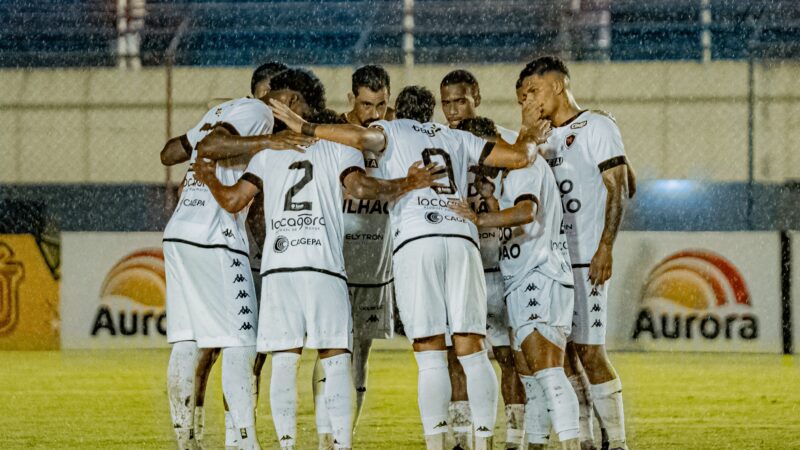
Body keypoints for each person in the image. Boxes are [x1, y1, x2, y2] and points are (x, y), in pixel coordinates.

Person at [269, 85, 548, 450]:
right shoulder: (457, 136)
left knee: (430, 353)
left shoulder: (392, 130)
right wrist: (528, 135)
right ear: (431, 110)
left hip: (417, 240)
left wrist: (306, 127)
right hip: (462, 237)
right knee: (473, 349)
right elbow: (519, 157)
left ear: (397, 111)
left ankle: (436, 444)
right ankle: (484, 442)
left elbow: (358, 135)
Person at [193, 101, 446, 450]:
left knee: (284, 360)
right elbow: (360, 189)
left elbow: (236, 200)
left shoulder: (269, 153)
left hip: (280, 268)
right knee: (337, 358)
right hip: (323, 267)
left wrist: (208, 178)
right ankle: (340, 445)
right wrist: (409, 182)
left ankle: (286, 445)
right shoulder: (340, 148)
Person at [160, 62, 286, 450]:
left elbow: (168, 154)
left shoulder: (222, 110)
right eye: (287, 98)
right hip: (215, 235)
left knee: (186, 342)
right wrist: (266, 143)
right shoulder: (257, 111)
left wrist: (200, 146)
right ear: (272, 94)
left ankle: (186, 442)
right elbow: (214, 146)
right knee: (242, 343)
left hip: (180, 232)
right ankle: (244, 444)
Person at [518, 56, 633, 450]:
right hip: (553, 264)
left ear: (556, 85)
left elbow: (619, 187)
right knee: (563, 352)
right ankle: (582, 438)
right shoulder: (540, 138)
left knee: (590, 350)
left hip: (587, 260)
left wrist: (605, 247)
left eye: (532, 91)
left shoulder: (595, 125)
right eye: (522, 97)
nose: (528, 101)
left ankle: (616, 442)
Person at [312, 65, 396, 449]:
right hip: (334, 262)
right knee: (331, 351)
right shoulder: (335, 134)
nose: (373, 112)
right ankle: (323, 437)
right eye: (365, 104)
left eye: (380, 104)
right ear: (350, 100)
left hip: (375, 264)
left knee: (360, 353)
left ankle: (346, 435)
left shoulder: (393, 134)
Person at [441, 70, 525, 450]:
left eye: (459, 101)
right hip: (459, 264)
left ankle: (514, 437)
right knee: (455, 357)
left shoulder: (504, 141)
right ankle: (462, 440)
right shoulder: (438, 144)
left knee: (509, 357)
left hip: (500, 265)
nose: (452, 110)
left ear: (476, 95)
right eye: (446, 103)